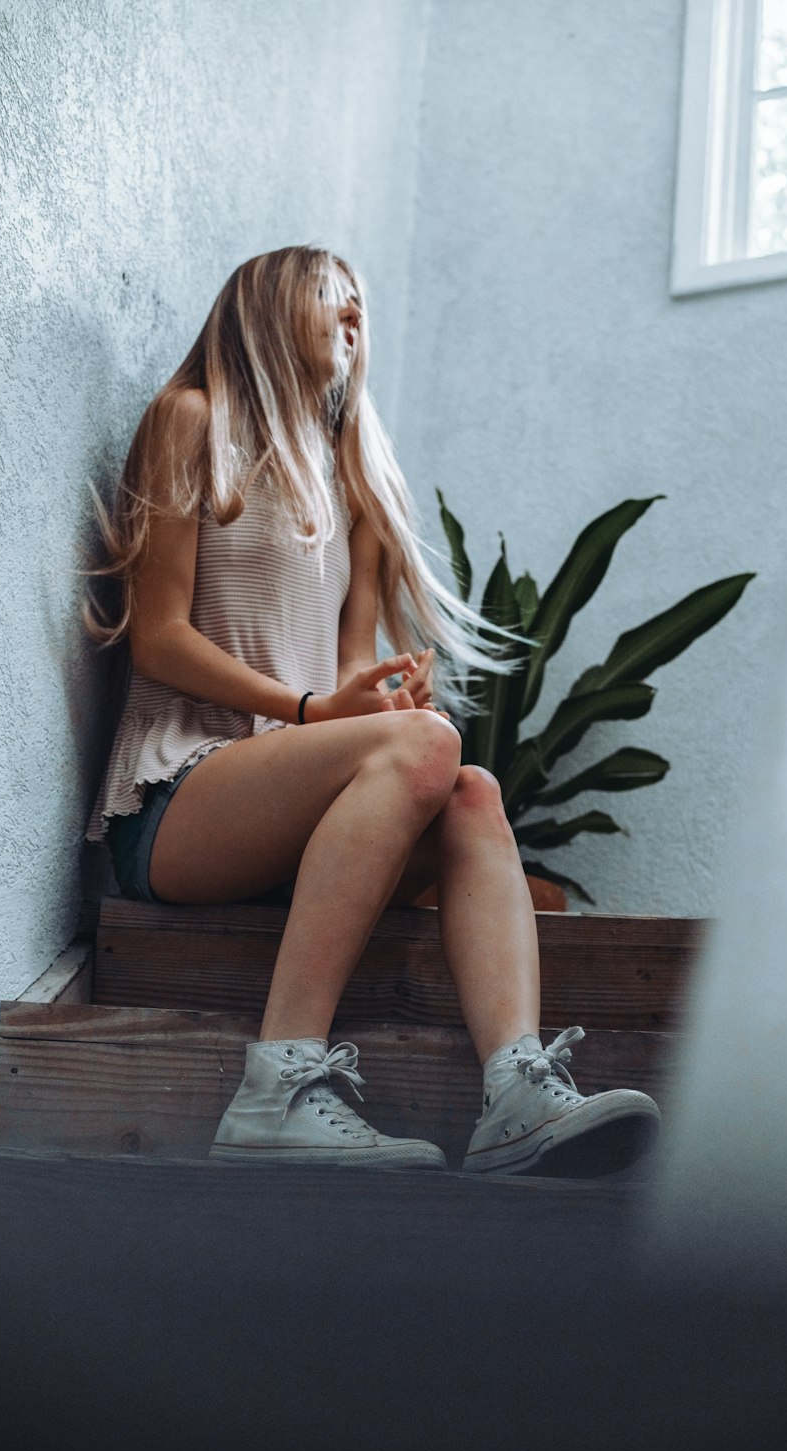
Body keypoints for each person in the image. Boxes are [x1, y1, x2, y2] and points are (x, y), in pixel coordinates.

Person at [86, 245, 659, 1175]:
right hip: (177, 801)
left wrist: (382, 702)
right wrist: (316, 711)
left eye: (363, 308)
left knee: (469, 789)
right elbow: (156, 637)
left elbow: (351, 669)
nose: (355, 319)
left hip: (295, 815)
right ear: (270, 305)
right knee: (427, 751)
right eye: (333, 299)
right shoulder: (191, 419)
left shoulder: (350, 477)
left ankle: (516, 1091)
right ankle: (276, 1088)